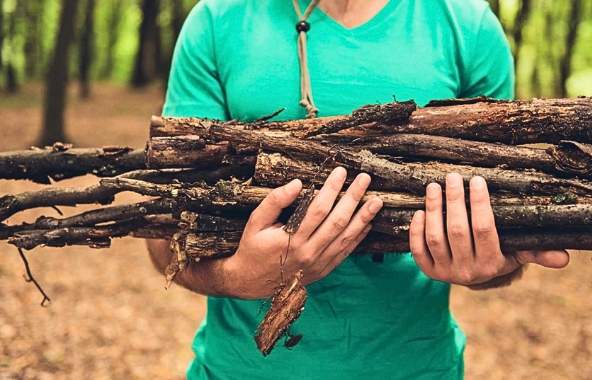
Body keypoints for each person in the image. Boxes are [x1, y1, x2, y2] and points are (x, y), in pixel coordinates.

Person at [146, 0, 570, 378]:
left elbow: (502, 242)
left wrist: (492, 265)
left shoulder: (468, 24)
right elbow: (163, 241)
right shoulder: (218, 20)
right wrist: (238, 276)